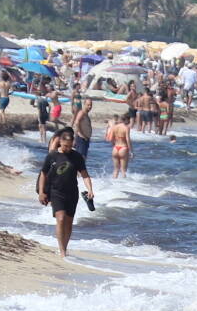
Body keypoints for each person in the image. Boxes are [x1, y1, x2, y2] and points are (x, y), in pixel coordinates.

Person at [36, 128, 94, 258]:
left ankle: (65, 248)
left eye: (69, 146)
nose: (67, 148)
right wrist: (41, 192)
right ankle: (62, 251)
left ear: (73, 143)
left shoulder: (77, 157)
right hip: (56, 192)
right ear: (60, 142)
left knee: (68, 222)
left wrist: (90, 189)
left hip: (72, 193)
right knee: (60, 219)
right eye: (64, 146)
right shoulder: (52, 156)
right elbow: (43, 174)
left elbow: (84, 175)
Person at [104, 111, 132, 177]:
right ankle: (123, 186)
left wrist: (114, 145)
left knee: (116, 170)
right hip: (123, 148)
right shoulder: (126, 128)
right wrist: (131, 151)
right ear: (127, 120)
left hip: (115, 148)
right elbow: (128, 139)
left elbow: (112, 139)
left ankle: (114, 185)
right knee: (123, 170)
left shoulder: (115, 127)